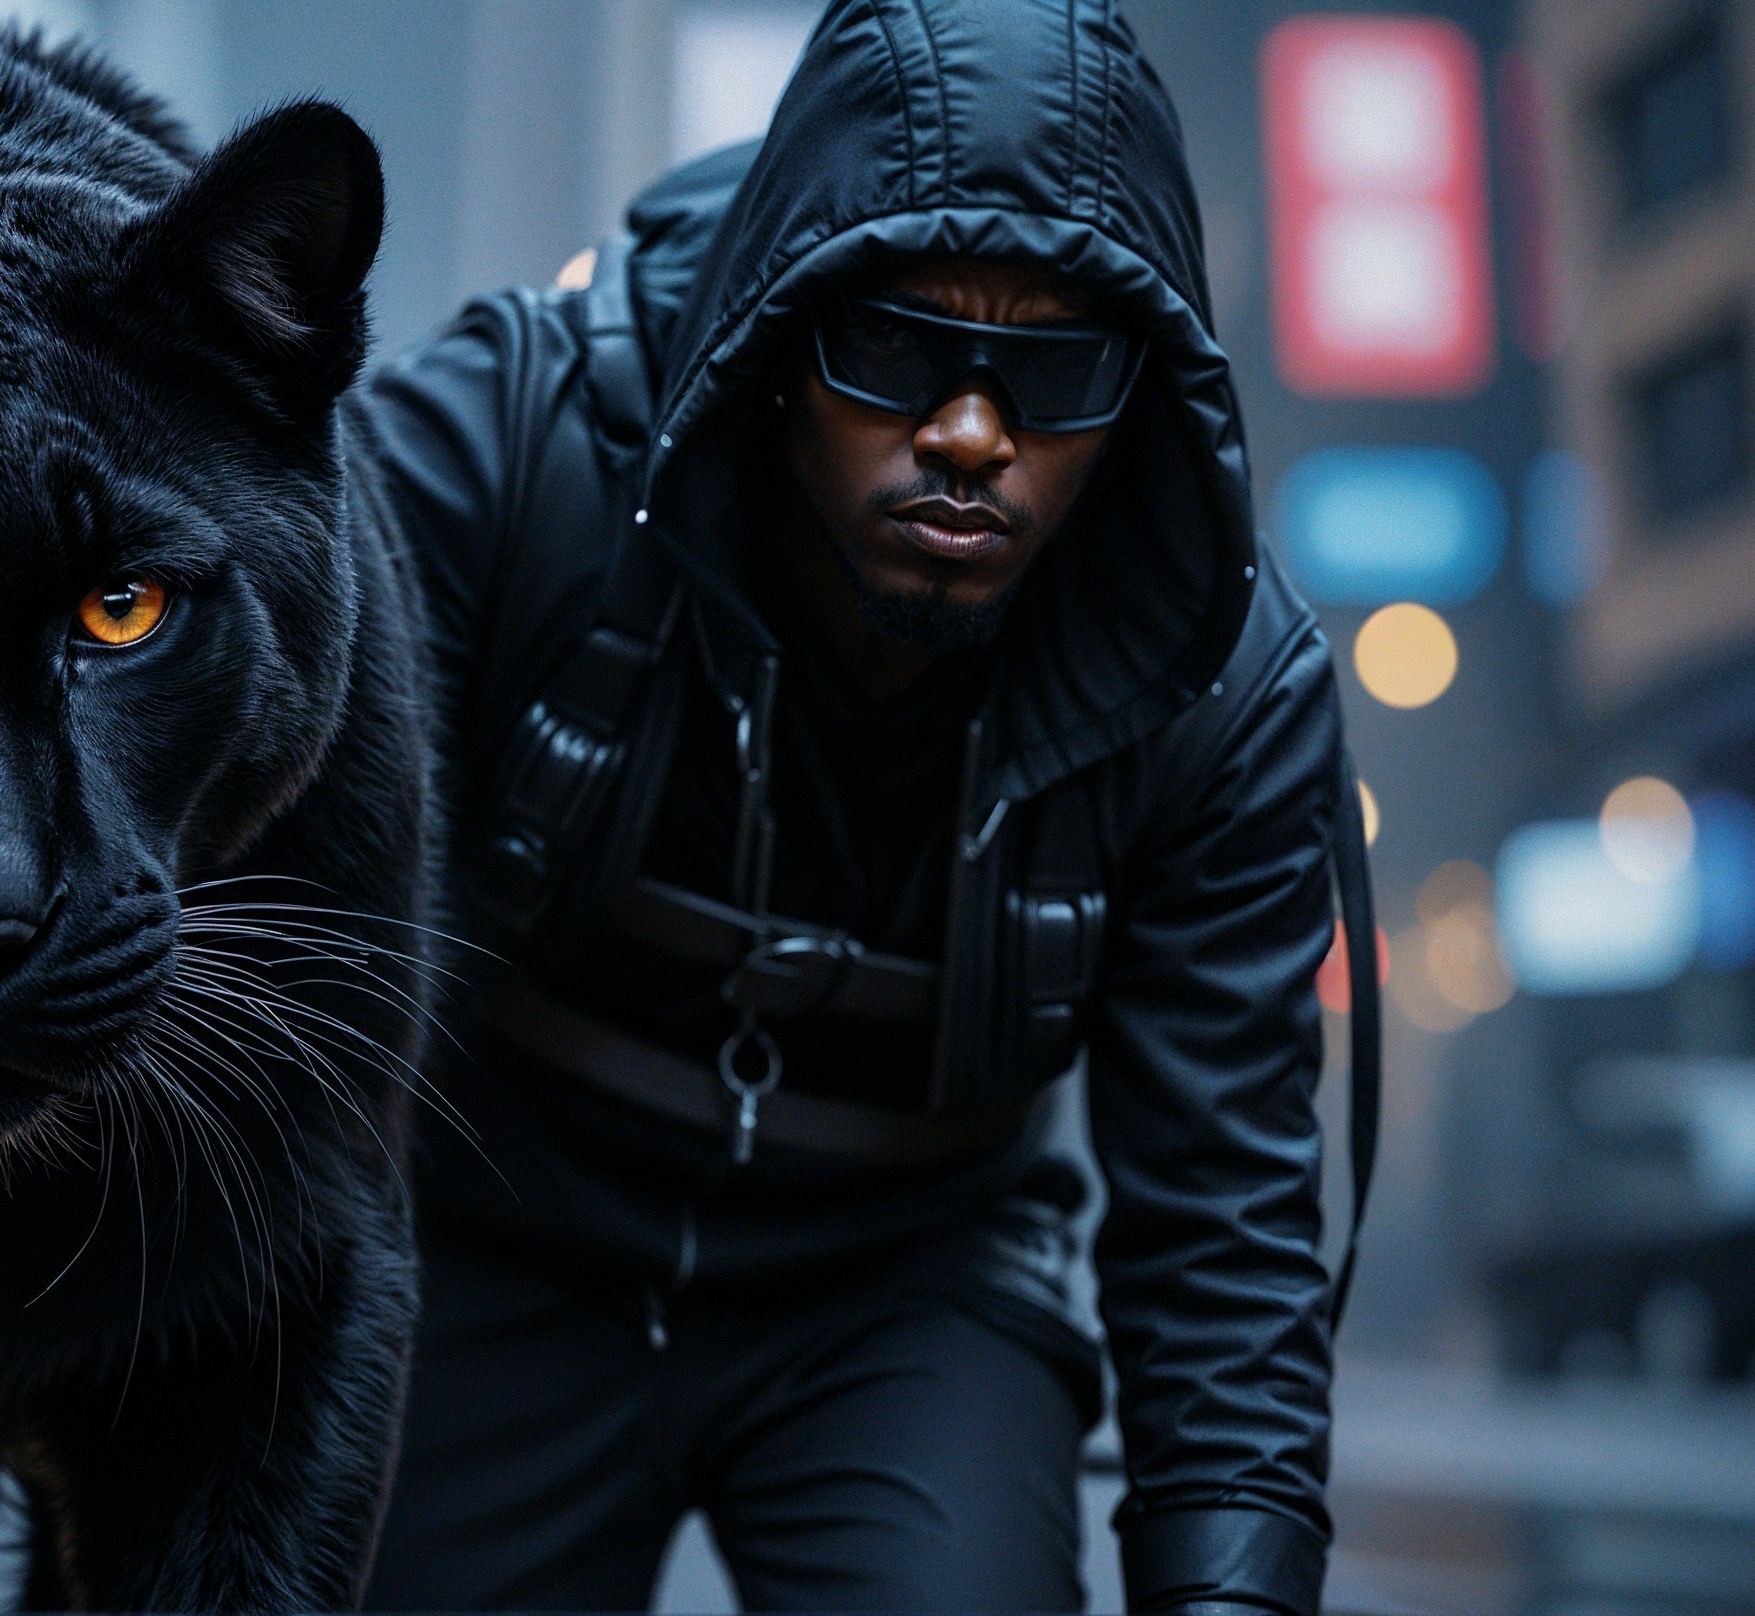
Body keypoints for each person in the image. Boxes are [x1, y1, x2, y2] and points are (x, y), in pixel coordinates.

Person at [344, 2, 1382, 1612]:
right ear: (779, 333)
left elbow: (1222, 1234)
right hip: (479, 1226)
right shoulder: (499, 455)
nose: (970, 435)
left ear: (1143, 389)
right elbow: (241, 920)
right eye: (894, 348)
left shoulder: (1219, 693)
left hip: (910, 1280)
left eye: (1056, 372)